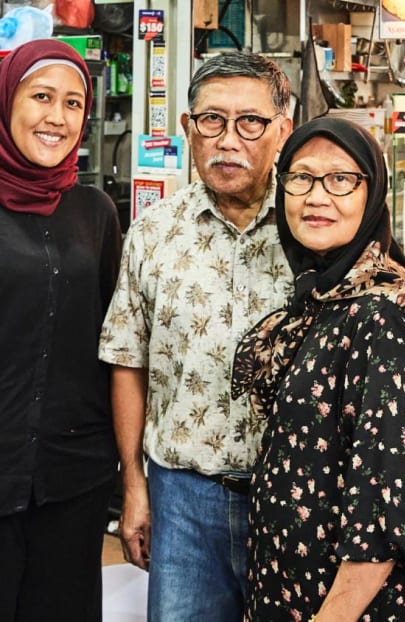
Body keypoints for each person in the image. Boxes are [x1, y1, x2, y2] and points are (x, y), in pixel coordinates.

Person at [97, 51, 294, 621]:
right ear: (187, 128)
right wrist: (134, 484)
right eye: (212, 120)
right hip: (182, 497)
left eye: (250, 122)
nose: (229, 141)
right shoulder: (153, 232)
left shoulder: (315, 226)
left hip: (292, 498)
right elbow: (127, 361)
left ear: (282, 130)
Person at [231, 117, 405, 621]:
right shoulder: (325, 295)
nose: (316, 197)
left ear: (373, 194)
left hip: (344, 606)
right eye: (301, 177)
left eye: (341, 179)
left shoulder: (380, 313)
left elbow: (388, 507)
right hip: (293, 589)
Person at [0, 39, 123, 621]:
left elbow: (112, 339)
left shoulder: (95, 212)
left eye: (73, 103)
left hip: (72, 477)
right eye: (41, 97)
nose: (57, 117)